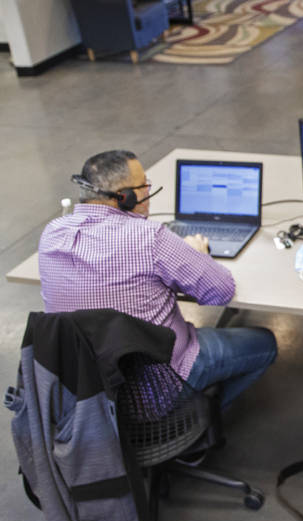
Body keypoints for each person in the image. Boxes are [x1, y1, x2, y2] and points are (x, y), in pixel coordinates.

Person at [38, 150, 276, 411]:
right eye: (144, 186)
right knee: (265, 343)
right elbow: (220, 291)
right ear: (125, 198)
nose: (147, 193)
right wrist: (198, 256)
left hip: (89, 394)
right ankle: (201, 416)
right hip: (161, 384)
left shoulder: (53, 234)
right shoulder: (149, 238)